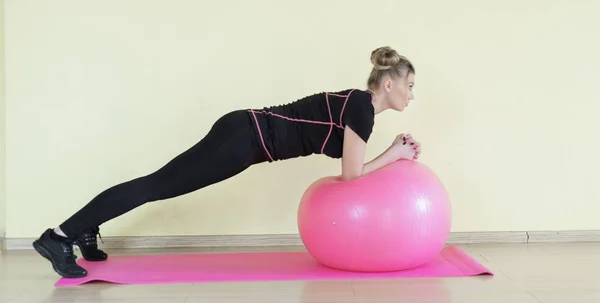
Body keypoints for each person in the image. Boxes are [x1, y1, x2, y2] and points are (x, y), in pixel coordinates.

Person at [32, 46, 420, 278]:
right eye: (410, 86)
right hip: (243, 139)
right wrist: (396, 154)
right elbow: (351, 175)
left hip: (244, 136)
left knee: (155, 184)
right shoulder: (362, 108)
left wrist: (393, 151)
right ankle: (60, 236)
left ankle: (84, 229)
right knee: (154, 187)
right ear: (389, 84)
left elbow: (350, 166)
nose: (411, 95)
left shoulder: (357, 105)